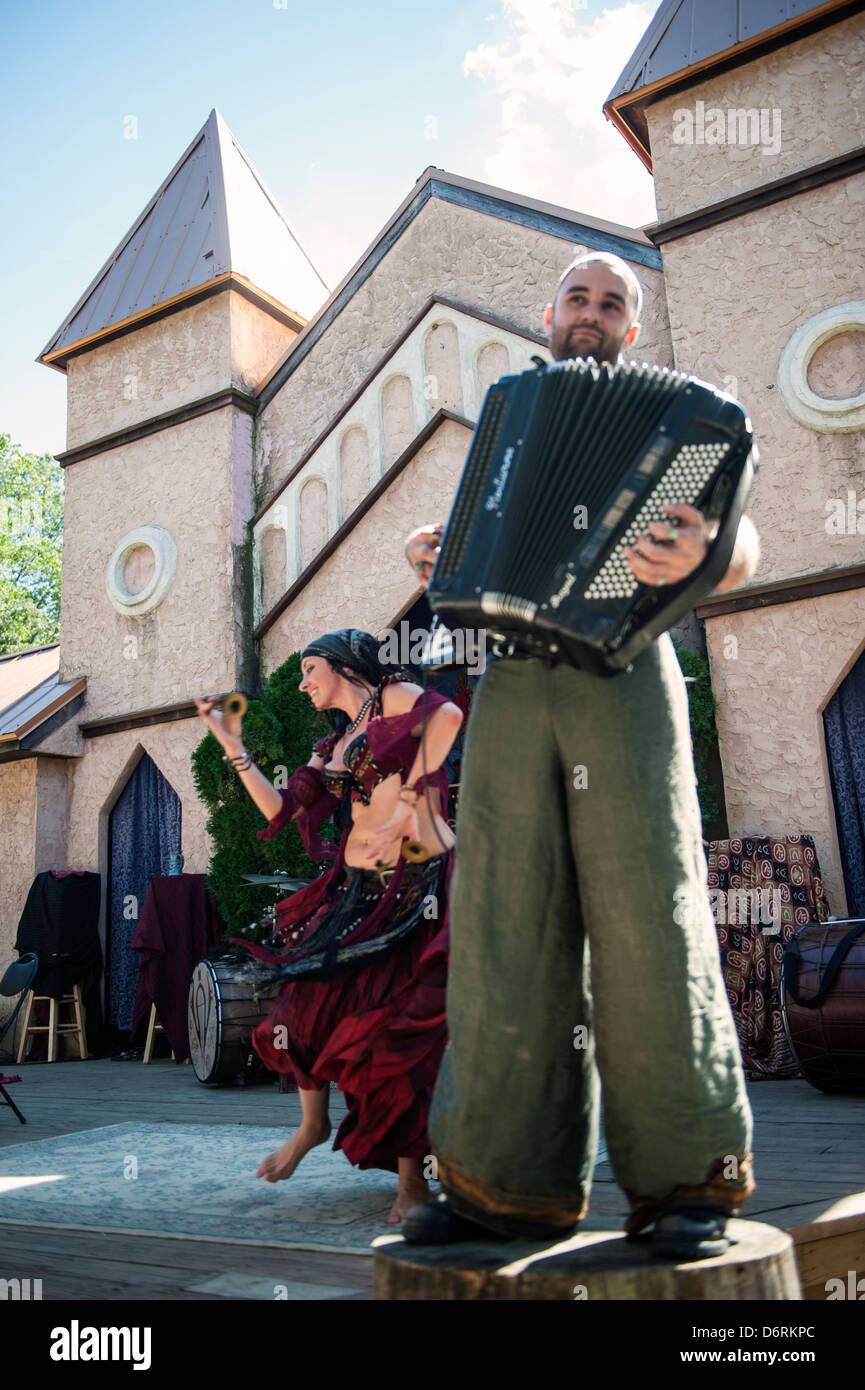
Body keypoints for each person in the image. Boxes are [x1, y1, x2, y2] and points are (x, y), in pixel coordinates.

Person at [401, 252, 761, 1259]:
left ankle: (689, 1181)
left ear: (632, 327)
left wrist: (703, 556)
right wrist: (439, 552)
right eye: (578, 297)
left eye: (613, 302)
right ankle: (494, 1184)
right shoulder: (513, 409)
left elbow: (740, 542)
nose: (593, 313)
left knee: (654, 914)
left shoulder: (684, 420)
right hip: (512, 680)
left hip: (625, 670)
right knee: (501, 916)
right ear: (548, 313)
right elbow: (475, 540)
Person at [196, 629, 464, 1224]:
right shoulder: (332, 743)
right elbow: (280, 808)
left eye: (310, 668)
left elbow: (447, 715)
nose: (302, 681)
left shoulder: (395, 696)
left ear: (343, 665)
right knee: (303, 1005)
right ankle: (313, 1124)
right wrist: (232, 746)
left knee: (399, 1034)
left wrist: (416, 796)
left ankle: (413, 1183)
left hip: (413, 887)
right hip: (353, 894)